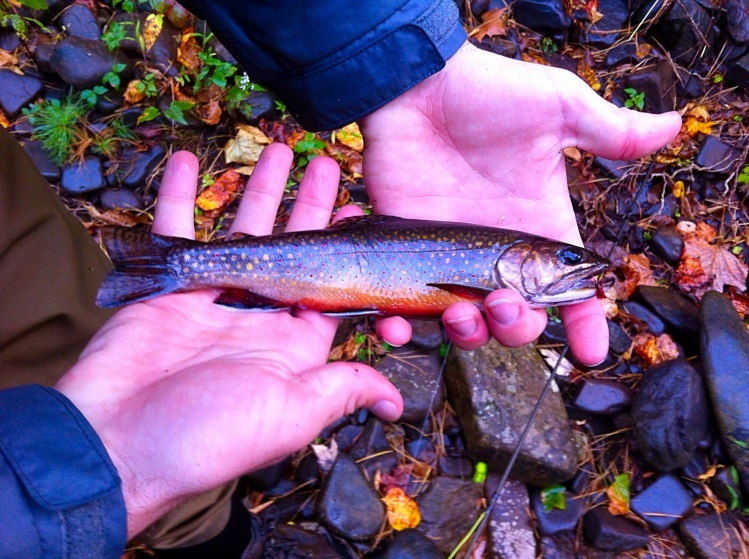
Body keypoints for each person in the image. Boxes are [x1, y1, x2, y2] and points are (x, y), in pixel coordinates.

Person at [0, 0, 682, 556]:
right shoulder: (485, 271)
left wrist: (407, 71)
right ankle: (174, 286)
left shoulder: (490, 265)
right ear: (520, 261)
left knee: (77, 345)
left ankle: (199, 524)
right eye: (562, 261)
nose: (575, 270)